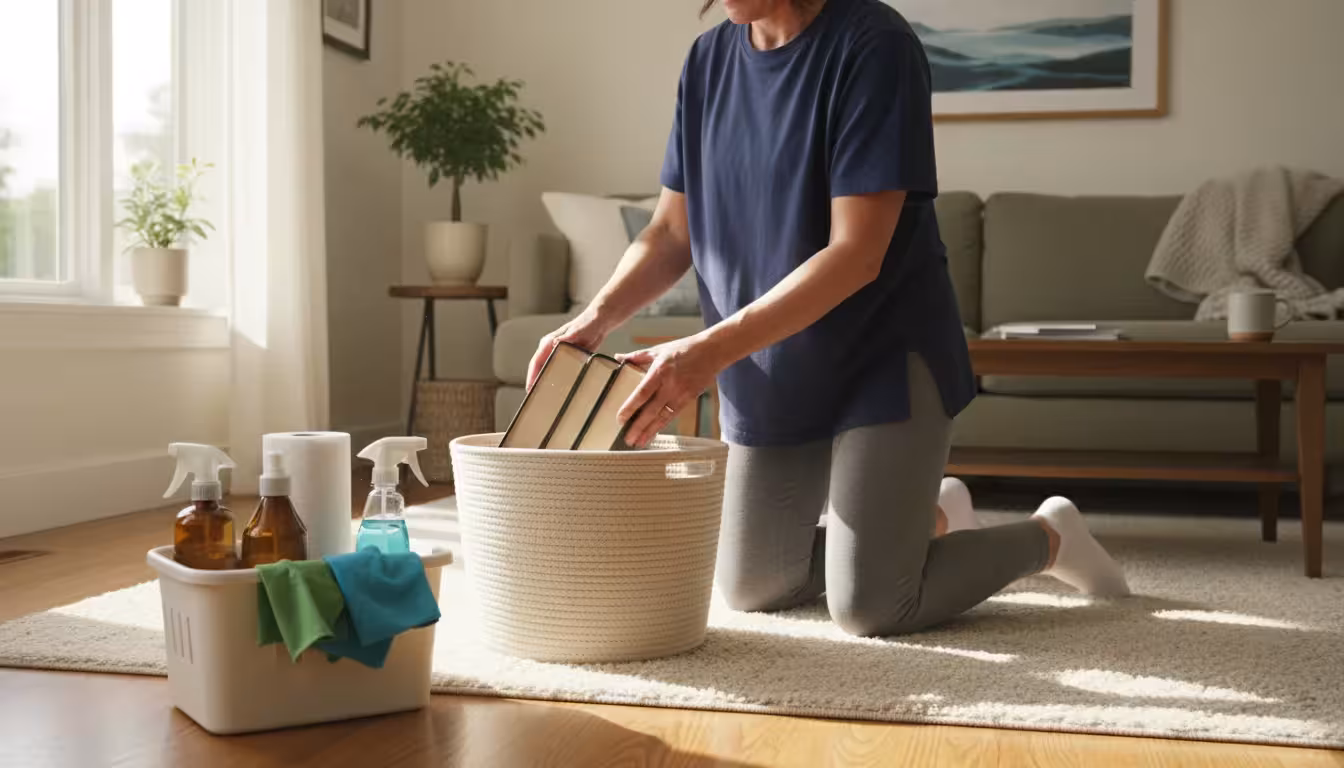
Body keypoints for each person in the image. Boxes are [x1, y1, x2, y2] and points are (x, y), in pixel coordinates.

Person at [526, 0, 1129, 637]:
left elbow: (855, 255)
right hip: (769, 360)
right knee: (753, 585)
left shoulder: (876, 46)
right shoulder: (707, 62)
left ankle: (1050, 535)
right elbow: (672, 230)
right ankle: (933, 516)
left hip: (883, 353)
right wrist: (592, 319)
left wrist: (705, 351)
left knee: (870, 605)